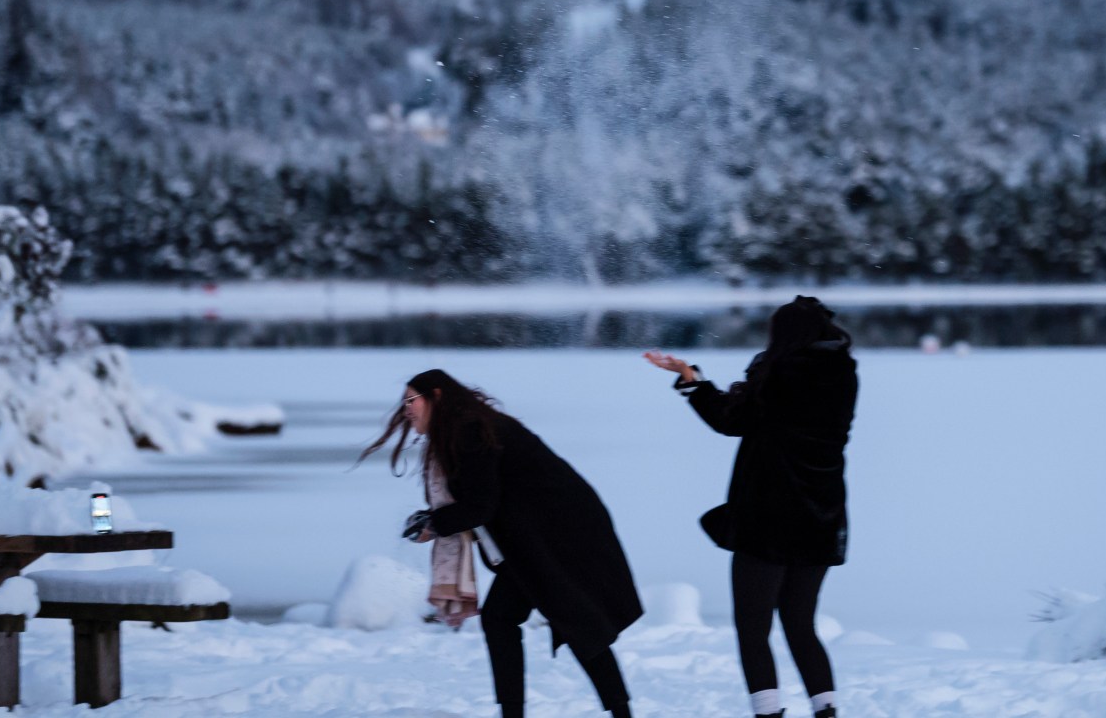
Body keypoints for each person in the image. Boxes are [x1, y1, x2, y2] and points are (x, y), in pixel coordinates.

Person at [362, 369, 643, 718]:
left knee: (575, 621)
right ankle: (524, 711)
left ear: (435, 396)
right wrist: (433, 520)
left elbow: (481, 504)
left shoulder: (471, 430)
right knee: (507, 618)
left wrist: (435, 525)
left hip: (561, 536)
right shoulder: (466, 428)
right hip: (536, 538)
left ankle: (615, 712)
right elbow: (478, 498)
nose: (406, 410)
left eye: (411, 401)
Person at [644, 295, 859, 718]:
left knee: (753, 627)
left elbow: (732, 420)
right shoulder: (843, 374)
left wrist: (692, 380)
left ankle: (768, 713)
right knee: (800, 624)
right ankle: (828, 711)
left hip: (770, 518)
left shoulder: (780, 372)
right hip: (822, 515)